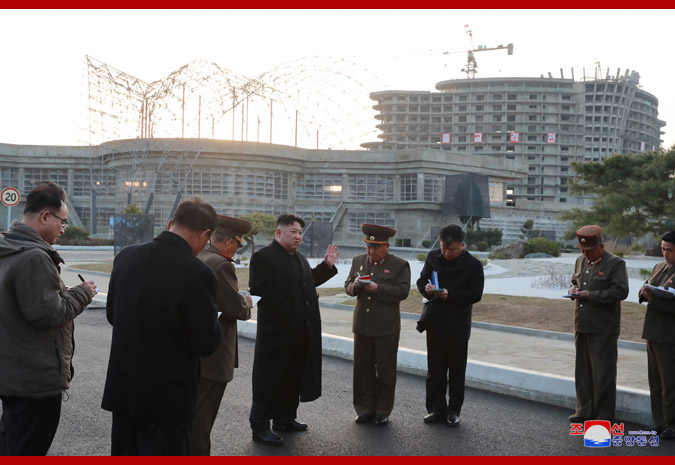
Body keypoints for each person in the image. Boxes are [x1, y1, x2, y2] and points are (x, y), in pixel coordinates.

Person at [101, 198, 223, 456]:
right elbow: (205, 342)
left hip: (124, 392)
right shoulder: (197, 273)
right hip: (168, 400)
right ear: (205, 235)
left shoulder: (126, 257)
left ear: (170, 223)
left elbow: (113, 314)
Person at [0, 181, 97, 456]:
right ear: (45, 216)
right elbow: (48, 314)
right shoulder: (34, 257)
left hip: (13, 373)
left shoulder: (9, 247)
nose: (63, 230)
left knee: (10, 444)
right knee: (26, 449)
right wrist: (83, 292)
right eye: (62, 223)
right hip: (34, 380)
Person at [248, 214, 338, 446]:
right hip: (277, 332)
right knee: (269, 378)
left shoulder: (298, 258)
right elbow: (262, 291)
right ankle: (260, 426)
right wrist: (291, 313)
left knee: (292, 375)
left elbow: (307, 282)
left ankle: (284, 418)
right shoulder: (263, 257)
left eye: (300, 233)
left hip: (300, 331)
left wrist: (327, 266)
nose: (298, 237)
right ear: (278, 233)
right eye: (293, 232)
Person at [190, 215, 254, 456]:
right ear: (229, 243)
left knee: (191, 413)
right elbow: (236, 308)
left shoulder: (198, 255)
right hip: (213, 356)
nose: (236, 251)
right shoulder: (221, 264)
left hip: (194, 351)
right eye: (237, 245)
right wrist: (246, 303)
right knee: (202, 421)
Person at [415, 224, 484, 427]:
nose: (446, 253)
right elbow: (421, 281)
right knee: (434, 370)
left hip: (458, 324)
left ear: (462, 245)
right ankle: (436, 409)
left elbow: (475, 294)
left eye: (452, 249)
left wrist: (449, 294)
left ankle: (454, 410)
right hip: (435, 321)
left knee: (456, 371)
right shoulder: (433, 257)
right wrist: (427, 290)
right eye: (444, 248)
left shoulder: (473, 265)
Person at [344, 223, 410, 426]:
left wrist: (377, 288)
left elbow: (403, 291)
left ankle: (382, 410)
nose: (371, 251)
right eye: (368, 246)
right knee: (362, 370)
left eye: (376, 247)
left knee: (386, 371)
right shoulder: (358, 261)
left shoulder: (400, 265)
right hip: (363, 324)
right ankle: (364, 409)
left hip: (385, 327)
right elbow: (347, 285)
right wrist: (354, 287)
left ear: (386, 246)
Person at [567, 224, 628, 423]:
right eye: (582, 250)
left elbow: (621, 291)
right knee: (582, 371)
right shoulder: (580, 260)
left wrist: (591, 295)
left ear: (600, 246)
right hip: (582, 324)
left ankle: (603, 414)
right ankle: (584, 410)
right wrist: (572, 290)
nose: (585, 254)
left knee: (603, 372)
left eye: (589, 250)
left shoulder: (616, 264)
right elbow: (576, 282)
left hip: (603, 327)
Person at [639, 230, 675, 439]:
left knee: (670, 382)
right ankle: (659, 422)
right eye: (662, 249)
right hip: (652, 332)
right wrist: (644, 293)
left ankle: (671, 424)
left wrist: (653, 298)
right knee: (655, 381)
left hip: (669, 336)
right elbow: (647, 288)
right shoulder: (659, 267)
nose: (665, 254)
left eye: (669, 250)